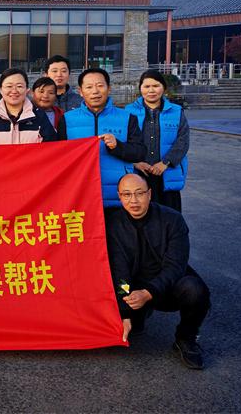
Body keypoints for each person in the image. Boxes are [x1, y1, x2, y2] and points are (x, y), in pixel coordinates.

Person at [106, 173, 210, 369]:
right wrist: (124, 311)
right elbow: (119, 270)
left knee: (195, 290)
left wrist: (149, 293)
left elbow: (175, 266)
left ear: (150, 194)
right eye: (126, 195)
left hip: (166, 286)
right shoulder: (114, 223)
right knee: (132, 328)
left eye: (139, 193)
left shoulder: (173, 220)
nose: (133, 201)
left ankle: (186, 338)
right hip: (134, 286)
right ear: (119, 197)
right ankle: (139, 314)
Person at [63, 68, 146, 209]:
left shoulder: (127, 118)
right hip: (80, 195)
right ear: (80, 91)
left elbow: (140, 152)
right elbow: (60, 157)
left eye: (100, 86)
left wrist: (117, 146)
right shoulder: (66, 119)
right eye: (89, 87)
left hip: (118, 196)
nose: (95, 91)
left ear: (109, 89)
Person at [125, 70, 190, 212]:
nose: (151, 90)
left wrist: (165, 162)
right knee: (140, 214)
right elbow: (123, 141)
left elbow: (183, 140)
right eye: (146, 86)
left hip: (167, 173)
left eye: (156, 85)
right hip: (139, 173)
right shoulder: (128, 111)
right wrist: (136, 162)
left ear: (164, 88)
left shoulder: (176, 111)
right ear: (140, 89)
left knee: (170, 215)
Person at [0, 68, 57, 145]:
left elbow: (51, 149)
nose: (14, 91)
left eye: (19, 86)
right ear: (0, 90)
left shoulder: (39, 117)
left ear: (27, 89)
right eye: (9, 86)